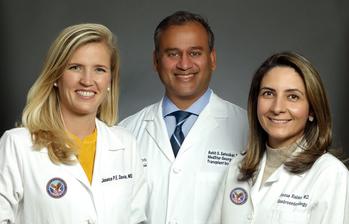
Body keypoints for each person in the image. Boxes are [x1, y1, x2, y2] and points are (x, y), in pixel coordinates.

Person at [0, 23, 147, 223]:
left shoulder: (125, 144)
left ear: (110, 81)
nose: (87, 80)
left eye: (99, 69)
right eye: (75, 67)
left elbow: (136, 219)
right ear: (56, 76)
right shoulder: (17, 145)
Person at [119, 11, 248, 223]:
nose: (184, 64)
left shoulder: (247, 130)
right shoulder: (126, 132)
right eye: (173, 54)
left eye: (195, 53)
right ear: (156, 61)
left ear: (212, 59)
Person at [208, 52, 349, 224]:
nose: (277, 107)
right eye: (268, 94)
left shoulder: (330, 175)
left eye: (293, 97)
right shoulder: (237, 167)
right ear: (255, 102)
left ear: (312, 109)